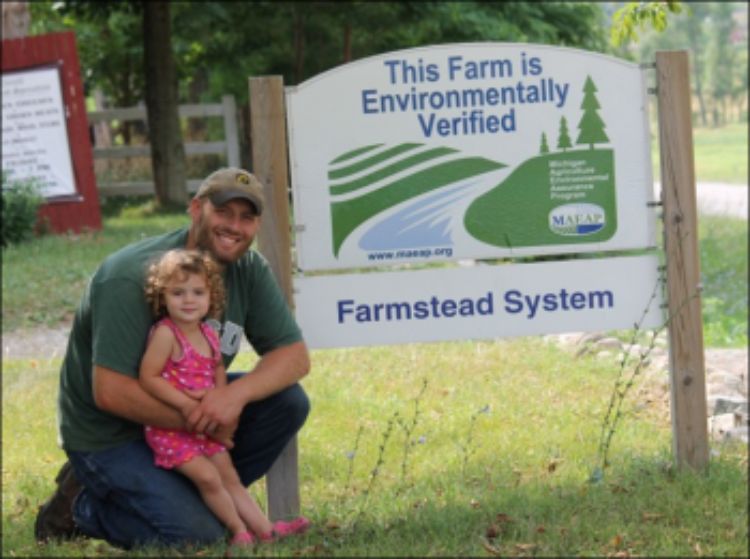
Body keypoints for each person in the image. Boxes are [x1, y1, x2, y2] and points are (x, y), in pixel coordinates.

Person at [34, 168, 311, 550]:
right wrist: (207, 424)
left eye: (246, 217)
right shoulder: (129, 277)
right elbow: (110, 393)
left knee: (287, 401)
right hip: (110, 435)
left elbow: (294, 357)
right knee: (199, 537)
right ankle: (81, 505)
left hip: (186, 418)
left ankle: (205, 499)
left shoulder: (247, 269)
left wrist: (231, 398)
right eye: (223, 213)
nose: (235, 226)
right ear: (196, 209)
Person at [139, 248, 309, 548]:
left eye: (197, 292)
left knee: (229, 476)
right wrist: (186, 404)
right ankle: (238, 531)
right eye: (178, 292)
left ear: (211, 296)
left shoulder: (209, 334)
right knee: (209, 478)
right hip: (171, 430)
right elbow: (148, 377)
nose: (188, 300)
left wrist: (219, 399)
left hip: (206, 424)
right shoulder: (166, 334)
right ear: (162, 296)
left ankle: (266, 531)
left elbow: (217, 369)